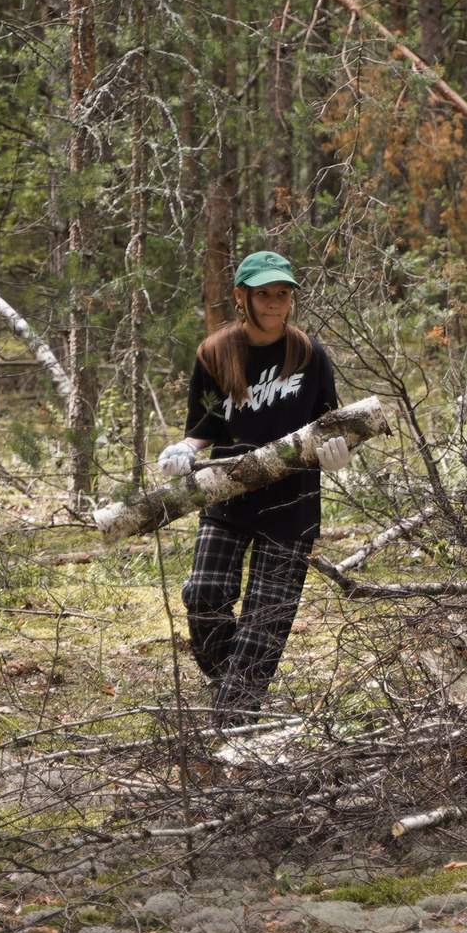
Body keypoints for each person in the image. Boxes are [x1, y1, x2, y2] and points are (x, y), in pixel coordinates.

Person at [157, 251, 347, 726]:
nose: (276, 303)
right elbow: (203, 426)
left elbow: (334, 423)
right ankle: (228, 683)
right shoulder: (216, 353)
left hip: (293, 506)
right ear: (242, 296)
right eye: (264, 294)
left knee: (265, 623)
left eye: (283, 293)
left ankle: (234, 721)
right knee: (204, 595)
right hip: (228, 497)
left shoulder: (308, 353)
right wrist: (182, 448)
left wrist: (340, 449)